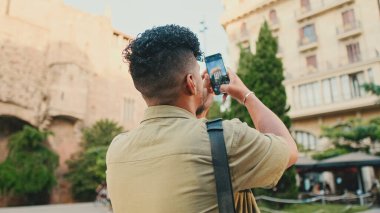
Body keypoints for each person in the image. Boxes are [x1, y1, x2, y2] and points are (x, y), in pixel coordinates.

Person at [106, 24, 298, 213]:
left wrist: (198, 112)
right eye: (198, 75)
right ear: (191, 83)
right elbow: (288, 150)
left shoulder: (116, 149)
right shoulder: (226, 138)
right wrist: (246, 95)